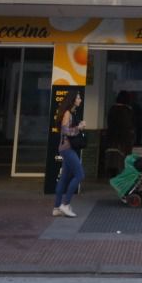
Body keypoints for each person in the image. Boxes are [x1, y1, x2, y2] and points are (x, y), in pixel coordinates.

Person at [52, 90, 86, 218]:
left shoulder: (70, 113)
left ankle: (56, 207)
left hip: (65, 148)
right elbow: (65, 131)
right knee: (80, 175)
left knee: (64, 177)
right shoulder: (67, 113)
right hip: (67, 148)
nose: (80, 100)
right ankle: (65, 205)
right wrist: (79, 128)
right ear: (73, 100)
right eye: (78, 98)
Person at [105, 90, 136, 175]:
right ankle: (123, 173)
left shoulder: (112, 109)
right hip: (124, 138)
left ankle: (112, 173)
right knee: (123, 156)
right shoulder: (128, 110)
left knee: (113, 156)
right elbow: (129, 124)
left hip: (112, 137)